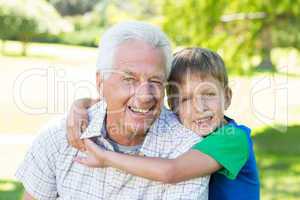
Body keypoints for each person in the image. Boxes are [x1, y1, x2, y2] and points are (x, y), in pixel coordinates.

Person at [16, 22, 210, 200]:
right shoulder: (58, 137)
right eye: (129, 79)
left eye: (155, 81)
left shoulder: (186, 153)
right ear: (101, 82)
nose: (145, 96)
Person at [68, 48, 260, 200]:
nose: (199, 107)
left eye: (208, 94)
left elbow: (171, 171)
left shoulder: (234, 139)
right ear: (172, 106)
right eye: (185, 100)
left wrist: (106, 158)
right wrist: (80, 106)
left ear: (226, 97)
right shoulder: (182, 126)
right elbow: (115, 104)